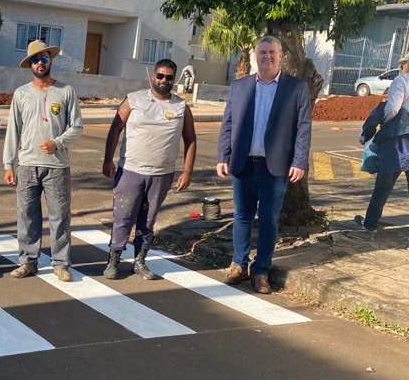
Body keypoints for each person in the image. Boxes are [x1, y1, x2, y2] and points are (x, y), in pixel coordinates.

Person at [216, 35, 311, 294]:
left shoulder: (296, 88)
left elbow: (303, 127)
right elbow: (228, 123)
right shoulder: (240, 86)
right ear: (256, 56)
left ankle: (261, 271)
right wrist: (222, 156)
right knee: (242, 216)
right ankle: (239, 264)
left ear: (281, 56)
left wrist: (300, 161)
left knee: (269, 220)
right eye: (262, 53)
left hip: (276, 166)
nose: (267, 57)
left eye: (272, 52)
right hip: (243, 164)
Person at [102, 59, 197, 279]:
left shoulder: (181, 107)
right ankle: (114, 259)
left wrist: (187, 171)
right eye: (160, 76)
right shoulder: (134, 99)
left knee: (148, 220)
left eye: (169, 78)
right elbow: (115, 129)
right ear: (152, 76)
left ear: (175, 80)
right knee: (123, 216)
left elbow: (190, 139)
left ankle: (140, 261)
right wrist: (108, 160)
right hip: (130, 171)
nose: (164, 80)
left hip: (161, 174)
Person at [3, 40, 84, 282]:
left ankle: (60, 263)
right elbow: (13, 131)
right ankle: (28, 261)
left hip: (57, 165)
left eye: (44, 58)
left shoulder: (66, 91)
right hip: (27, 164)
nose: (40, 63)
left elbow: (77, 127)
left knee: (59, 216)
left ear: (52, 60)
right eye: (35, 59)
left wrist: (57, 142)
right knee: (27, 216)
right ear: (30, 64)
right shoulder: (21, 94)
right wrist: (9, 164)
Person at [355, 53, 409, 231]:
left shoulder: (402, 81)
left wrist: (384, 121)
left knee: (383, 186)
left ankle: (370, 223)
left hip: (398, 142)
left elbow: (393, 107)